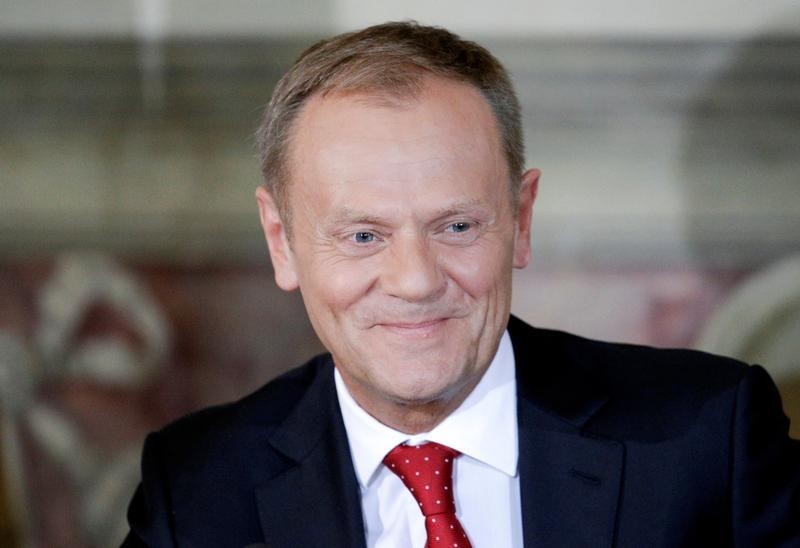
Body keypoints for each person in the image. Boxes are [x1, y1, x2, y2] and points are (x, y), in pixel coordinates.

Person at [122, 21, 800, 547]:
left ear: (521, 219)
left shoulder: (709, 440)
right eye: (364, 236)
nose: (415, 282)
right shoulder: (199, 489)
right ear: (283, 242)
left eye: (456, 227)